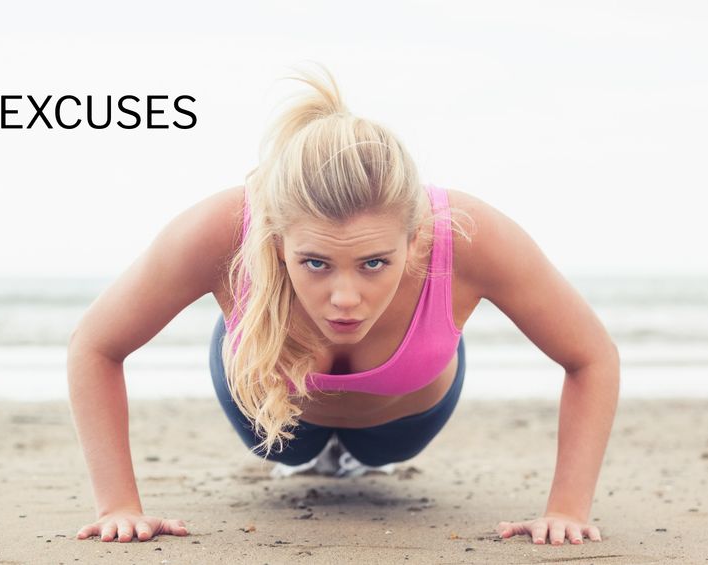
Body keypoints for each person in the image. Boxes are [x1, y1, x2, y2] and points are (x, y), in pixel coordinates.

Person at [68, 64, 619, 546]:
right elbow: (96, 344)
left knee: (381, 457)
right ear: (276, 238)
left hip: (402, 418)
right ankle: (307, 451)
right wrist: (119, 507)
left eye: (375, 263)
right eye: (315, 263)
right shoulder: (220, 230)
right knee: (286, 454)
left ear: (415, 239)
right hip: (272, 410)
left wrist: (566, 510)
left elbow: (591, 356)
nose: (346, 299)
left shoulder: (471, 236)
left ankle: (357, 456)